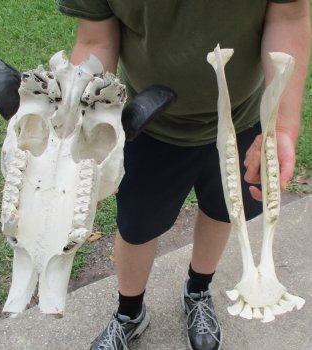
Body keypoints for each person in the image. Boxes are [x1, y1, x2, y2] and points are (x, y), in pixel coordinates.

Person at [57, 1, 310, 349]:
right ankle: (129, 313)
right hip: (148, 123)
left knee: (226, 209)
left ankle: (198, 291)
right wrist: (77, 122)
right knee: (137, 228)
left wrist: (281, 125)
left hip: (245, 120)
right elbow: (95, 40)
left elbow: (289, 14)